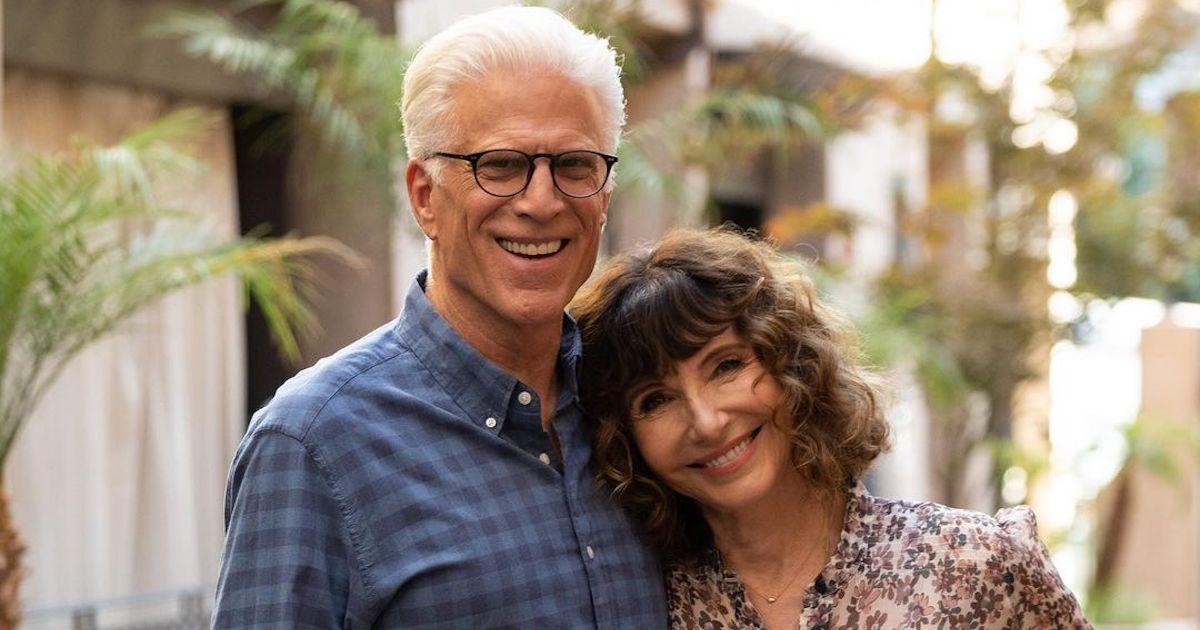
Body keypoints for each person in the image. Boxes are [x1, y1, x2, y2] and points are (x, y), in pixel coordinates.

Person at [212, 6, 667, 628]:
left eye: (574, 165)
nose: (541, 201)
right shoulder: (315, 444)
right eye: (500, 165)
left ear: (604, 196)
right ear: (425, 196)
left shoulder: (643, 401)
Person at [571, 228, 1092, 629]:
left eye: (727, 366)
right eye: (656, 400)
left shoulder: (970, 561)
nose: (706, 421)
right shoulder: (645, 604)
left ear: (791, 361)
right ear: (624, 438)